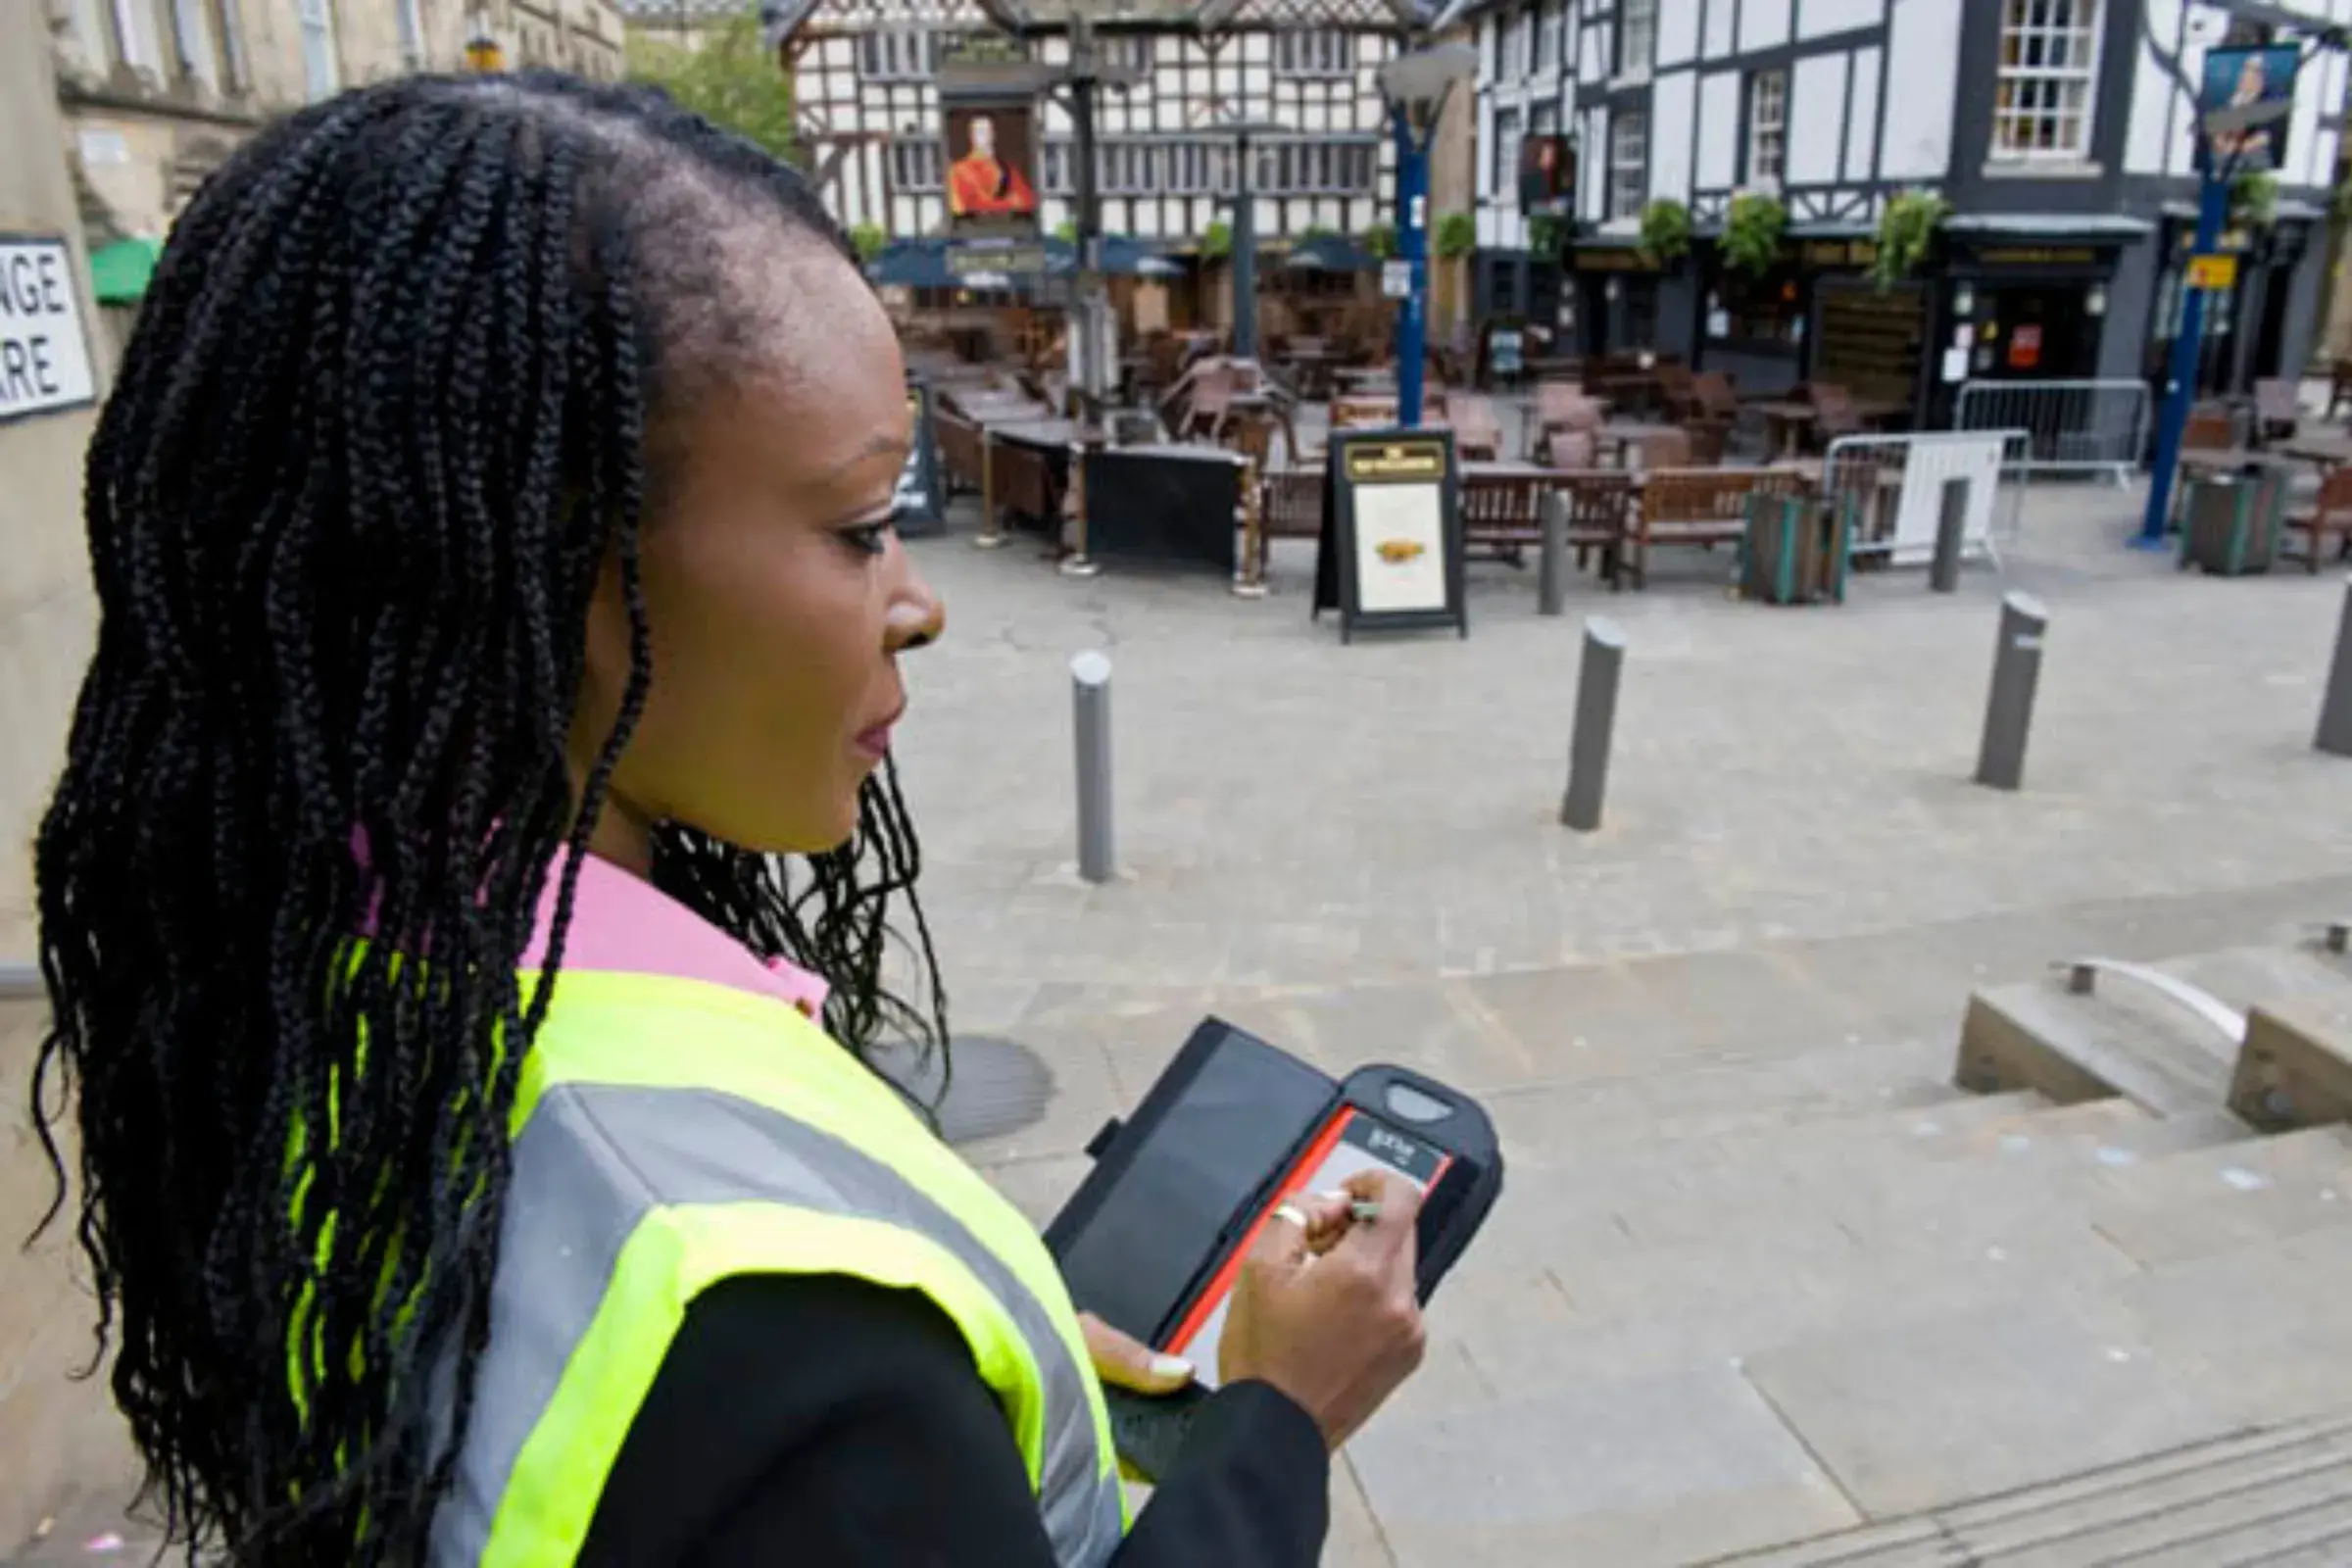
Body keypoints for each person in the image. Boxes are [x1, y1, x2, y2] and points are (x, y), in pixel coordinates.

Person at [30, 72, 1427, 1567]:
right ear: (558, 561)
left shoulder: (317, 952)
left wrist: (954, 1418)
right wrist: (1277, 1421)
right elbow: (745, 1407)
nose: (919, 602)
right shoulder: (758, 1315)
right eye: (857, 524)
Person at [947, 114, 1038, 218]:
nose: (985, 135)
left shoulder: (1008, 169)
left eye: (988, 131)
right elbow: (971, 207)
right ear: (971, 136)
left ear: (993, 134)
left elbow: (1028, 201)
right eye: (980, 131)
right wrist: (1010, 203)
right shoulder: (959, 170)